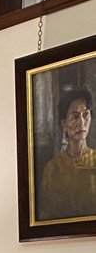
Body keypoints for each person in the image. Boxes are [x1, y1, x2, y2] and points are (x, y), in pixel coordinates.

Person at [39, 87, 96, 221]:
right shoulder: (51, 169)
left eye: (85, 115)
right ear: (64, 124)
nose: (81, 122)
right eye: (75, 116)